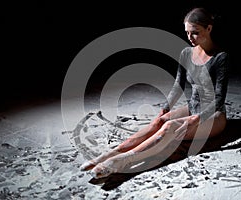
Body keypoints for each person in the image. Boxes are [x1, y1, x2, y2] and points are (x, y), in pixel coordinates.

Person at [80, 7, 230, 179]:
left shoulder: (220, 57)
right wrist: (165, 108)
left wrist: (196, 119)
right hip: (193, 106)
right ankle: (109, 154)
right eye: (187, 33)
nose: (189, 38)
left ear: (209, 28)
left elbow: (219, 98)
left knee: (169, 127)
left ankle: (122, 160)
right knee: (160, 121)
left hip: (214, 115)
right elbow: (178, 85)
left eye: (194, 33)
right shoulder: (186, 53)